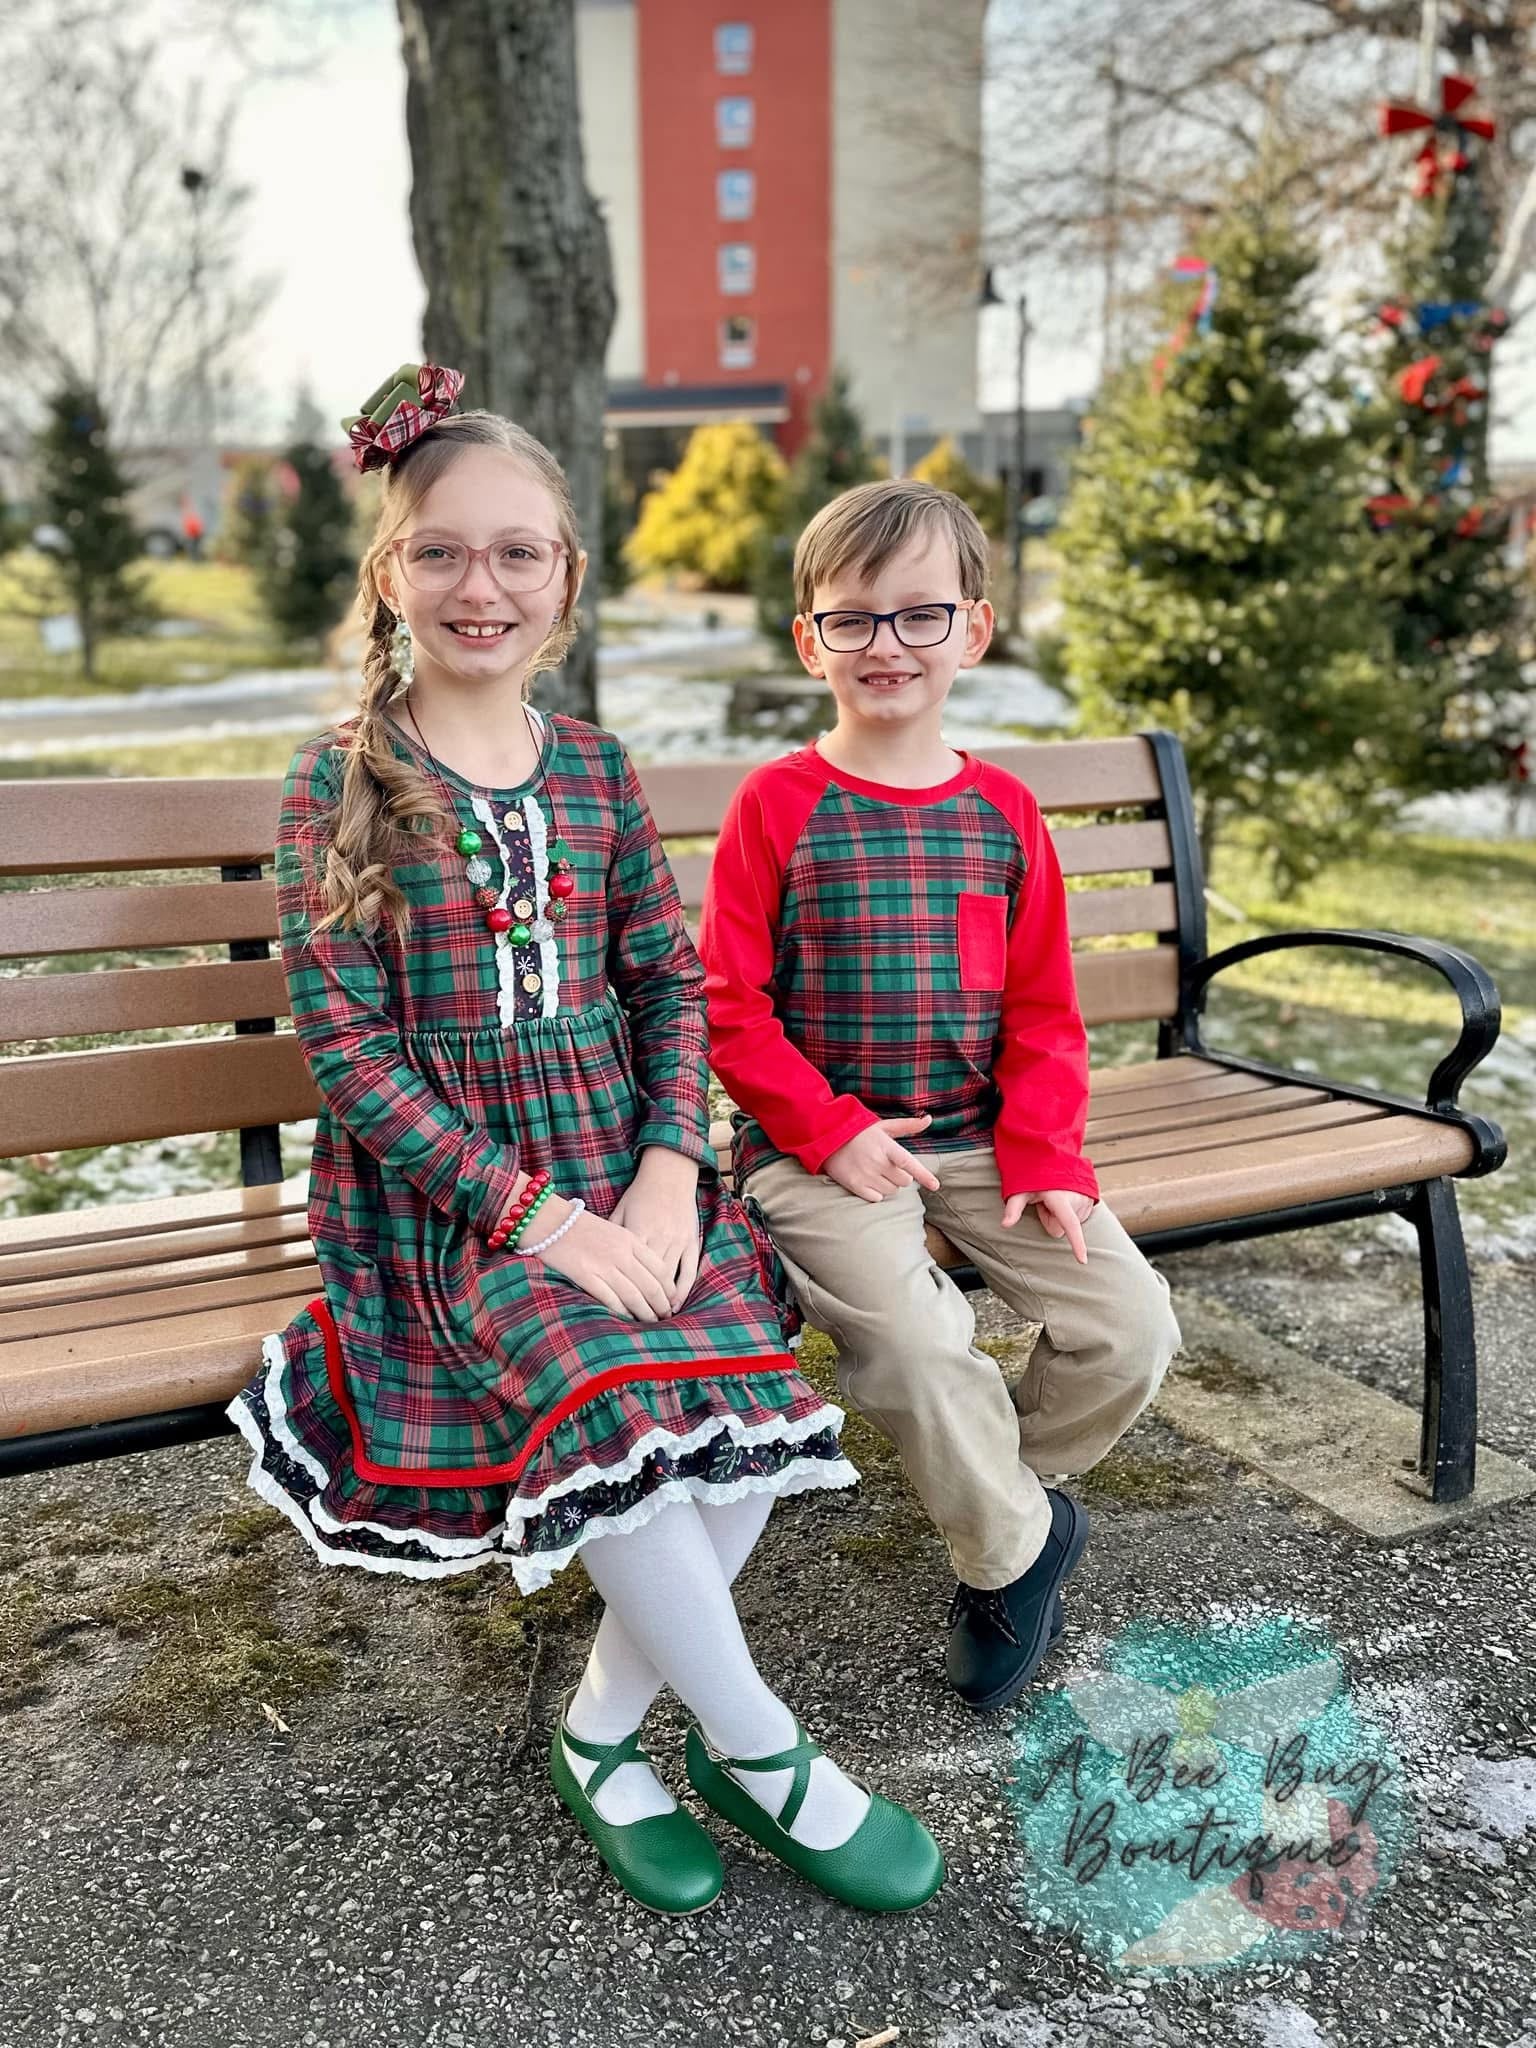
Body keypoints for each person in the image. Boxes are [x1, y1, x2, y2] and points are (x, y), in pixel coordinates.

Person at [226, 366, 943, 1919]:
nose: (479, 584)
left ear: (565, 575)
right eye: (441, 551)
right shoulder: (338, 785)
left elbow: (670, 987)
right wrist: (545, 1220)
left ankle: (604, 1735)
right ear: (390, 573)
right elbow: (349, 1059)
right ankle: (764, 1755)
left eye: (517, 552)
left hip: (632, 1166)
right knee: (621, 1408)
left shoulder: (601, 771)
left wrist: (671, 1172)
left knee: (741, 1419)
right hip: (455, 1206)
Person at [698, 478, 1182, 1715]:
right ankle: (1008, 1554)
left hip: (983, 1142)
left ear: (972, 628)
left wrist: (1050, 1162)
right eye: (852, 621)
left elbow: (1043, 1016)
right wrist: (826, 1127)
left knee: (1132, 1324)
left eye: (919, 616)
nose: (887, 646)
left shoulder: (1006, 814)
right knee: (919, 1343)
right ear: (812, 641)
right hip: (813, 1151)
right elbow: (728, 1007)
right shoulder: (777, 805)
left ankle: (1002, 1494)